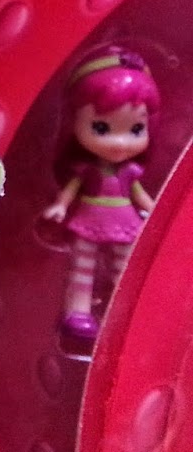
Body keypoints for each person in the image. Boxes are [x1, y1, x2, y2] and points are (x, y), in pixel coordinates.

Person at [43, 48, 160, 342]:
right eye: (101, 128)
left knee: (126, 268)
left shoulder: (129, 173)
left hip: (124, 222)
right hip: (89, 219)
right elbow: (70, 191)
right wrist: (60, 206)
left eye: (136, 129)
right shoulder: (86, 170)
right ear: (75, 121)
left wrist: (157, 213)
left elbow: (140, 196)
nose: (119, 143)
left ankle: (126, 312)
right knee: (83, 266)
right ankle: (78, 312)